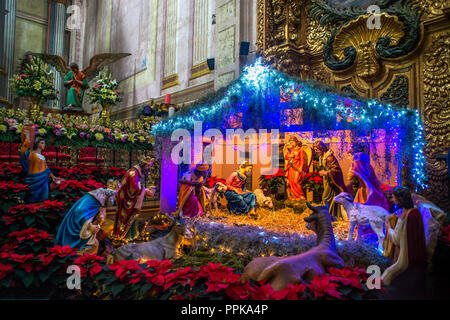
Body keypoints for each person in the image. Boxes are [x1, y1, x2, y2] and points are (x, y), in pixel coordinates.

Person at [381, 187, 427, 298]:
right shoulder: (415, 212)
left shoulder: (404, 216)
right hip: (418, 256)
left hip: (406, 257)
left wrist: (388, 228)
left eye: (393, 197)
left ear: (399, 199)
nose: (392, 199)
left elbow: (397, 239)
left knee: (386, 277)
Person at [55, 182, 119, 254]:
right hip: (78, 229)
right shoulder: (93, 201)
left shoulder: (97, 201)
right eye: (114, 199)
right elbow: (80, 212)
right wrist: (90, 226)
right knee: (92, 245)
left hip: (83, 227)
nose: (113, 202)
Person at [112, 156, 156, 241]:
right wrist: (145, 190)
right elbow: (134, 188)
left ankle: (131, 235)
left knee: (133, 218)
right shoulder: (134, 173)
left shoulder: (136, 172)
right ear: (143, 165)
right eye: (148, 166)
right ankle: (125, 237)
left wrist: (144, 189)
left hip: (128, 200)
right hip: (127, 201)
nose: (149, 168)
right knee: (128, 218)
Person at [19, 126, 62, 203]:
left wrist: (53, 176)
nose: (44, 144)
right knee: (34, 198)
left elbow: (46, 168)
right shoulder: (31, 154)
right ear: (36, 143)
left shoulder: (42, 156)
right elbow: (24, 149)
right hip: (34, 179)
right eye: (41, 143)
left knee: (43, 198)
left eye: (44, 143)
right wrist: (27, 137)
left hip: (43, 180)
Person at [313, 141, 348, 220]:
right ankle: (330, 214)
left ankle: (329, 215)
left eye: (317, 149)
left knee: (326, 197)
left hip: (332, 181)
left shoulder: (329, 157)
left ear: (321, 148)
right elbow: (325, 166)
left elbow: (336, 169)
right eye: (315, 149)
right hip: (328, 180)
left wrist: (326, 173)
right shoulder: (323, 157)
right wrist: (317, 164)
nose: (316, 151)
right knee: (329, 198)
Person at [284, 136, 309, 200]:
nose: (291, 143)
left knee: (296, 181)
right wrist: (290, 155)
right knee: (290, 182)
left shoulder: (300, 150)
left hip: (297, 168)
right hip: (291, 168)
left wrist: (301, 168)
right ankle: (293, 196)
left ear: (296, 142)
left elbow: (302, 160)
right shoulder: (290, 150)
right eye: (290, 142)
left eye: (292, 142)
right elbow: (286, 156)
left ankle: (301, 196)